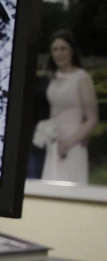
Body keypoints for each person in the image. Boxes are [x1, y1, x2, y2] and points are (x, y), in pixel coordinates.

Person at [40, 29, 99, 183]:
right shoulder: (53, 78)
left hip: (73, 144)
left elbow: (92, 118)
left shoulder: (82, 78)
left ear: (71, 51)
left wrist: (69, 143)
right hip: (53, 144)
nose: (59, 53)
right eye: (55, 49)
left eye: (63, 49)